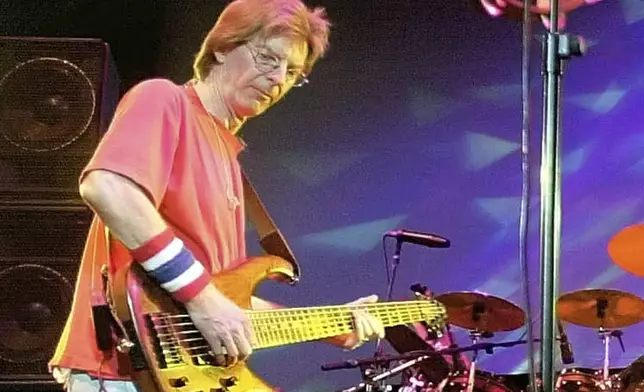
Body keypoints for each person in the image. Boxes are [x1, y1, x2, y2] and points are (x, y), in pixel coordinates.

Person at [48, 1, 385, 390]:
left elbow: (226, 301)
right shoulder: (165, 100)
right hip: (120, 371)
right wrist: (203, 298)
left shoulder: (228, 157)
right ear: (223, 46)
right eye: (267, 57)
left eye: (292, 72)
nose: (277, 78)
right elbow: (107, 186)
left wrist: (332, 325)